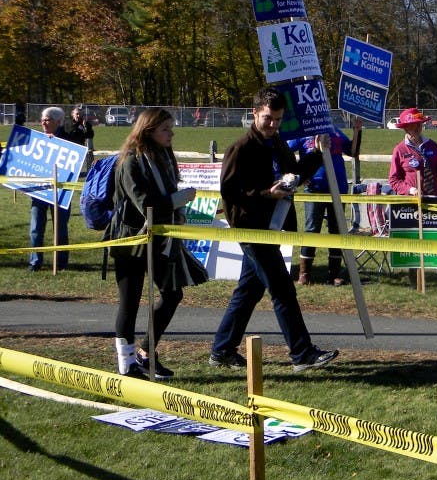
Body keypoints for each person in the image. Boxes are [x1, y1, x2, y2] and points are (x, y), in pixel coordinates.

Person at [209, 87, 339, 372]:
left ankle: (222, 350)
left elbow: (294, 174)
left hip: (274, 226)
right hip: (251, 230)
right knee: (282, 290)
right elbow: (231, 193)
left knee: (248, 291)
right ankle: (302, 354)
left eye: (278, 120)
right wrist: (267, 193)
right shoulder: (239, 149)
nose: (273, 125)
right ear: (254, 113)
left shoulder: (276, 142)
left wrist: (317, 153)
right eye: (268, 118)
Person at [109, 108, 201, 379]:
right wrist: (177, 201)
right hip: (130, 238)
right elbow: (144, 204)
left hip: (160, 236)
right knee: (130, 301)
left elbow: (168, 192)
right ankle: (126, 366)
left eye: (171, 128)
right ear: (148, 131)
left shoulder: (164, 156)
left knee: (173, 294)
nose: (171, 133)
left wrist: (179, 211)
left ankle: (146, 353)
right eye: (165, 129)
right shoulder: (130, 162)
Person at [388, 107, 437, 288]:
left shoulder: (431, 145)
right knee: (414, 241)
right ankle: (415, 282)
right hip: (413, 204)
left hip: (435, 200)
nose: (417, 128)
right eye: (413, 125)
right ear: (405, 128)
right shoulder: (400, 150)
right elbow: (393, 180)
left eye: (419, 124)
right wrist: (411, 190)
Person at [288, 117, 362, 285]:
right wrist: (300, 174)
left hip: (338, 187)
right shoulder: (303, 130)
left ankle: (334, 273)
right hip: (315, 188)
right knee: (311, 229)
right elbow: (286, 152)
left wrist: (357, 131)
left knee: (336, 230)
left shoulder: (334, 130)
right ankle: (304, 273)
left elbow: (352, 151)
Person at [28, 107, 70, 272]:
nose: (43, 123)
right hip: (39, 192)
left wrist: (58, 142)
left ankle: (61, 262)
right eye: (43, 119)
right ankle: (35, 262)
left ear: (58, 122)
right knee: (36, 228)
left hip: (60, 193)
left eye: (47, 119)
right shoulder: (36, 140)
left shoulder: (67, 140)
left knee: (60, 229)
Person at [66, 104, 95, 171]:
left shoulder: (86, 124)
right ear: (72, 114)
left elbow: (90, 135)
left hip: (79, 149)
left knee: (77, 169)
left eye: (80, 114)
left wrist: (85, 126)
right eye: (77, 114)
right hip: (68, 148)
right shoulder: (67, 123)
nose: (79, 116)